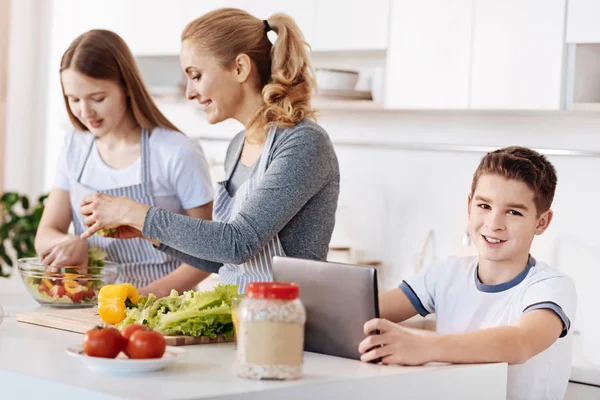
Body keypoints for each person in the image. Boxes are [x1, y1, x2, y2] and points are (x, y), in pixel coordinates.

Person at [78, 9, 340, 295]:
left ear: (240, 68)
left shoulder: (303, 143)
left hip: (286, 324)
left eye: (196, 75)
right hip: (240, 317)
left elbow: (237, 243)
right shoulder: (238, 146)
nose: (189, 92)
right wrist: (149, 232)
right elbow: (223, 258)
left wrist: (137, 213)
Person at [358, 147, 576, 400]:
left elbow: (520, 342)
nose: (494, 223)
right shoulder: (447, 273)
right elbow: (364, 312)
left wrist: (423, 347)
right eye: (484, 205)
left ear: (541, 222)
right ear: (469, 205)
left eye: (513, 212)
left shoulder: (551, 287)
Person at [35, 29, 215, 295]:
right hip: (89, 306)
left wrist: (141, 299)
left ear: (126, 88)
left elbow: (209, 252)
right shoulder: (75, 147)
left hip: (161, 311)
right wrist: (71, 243)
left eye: (98, 98)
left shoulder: (177, 152)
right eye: (73, 100)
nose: (86, 112)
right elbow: (46, 233)